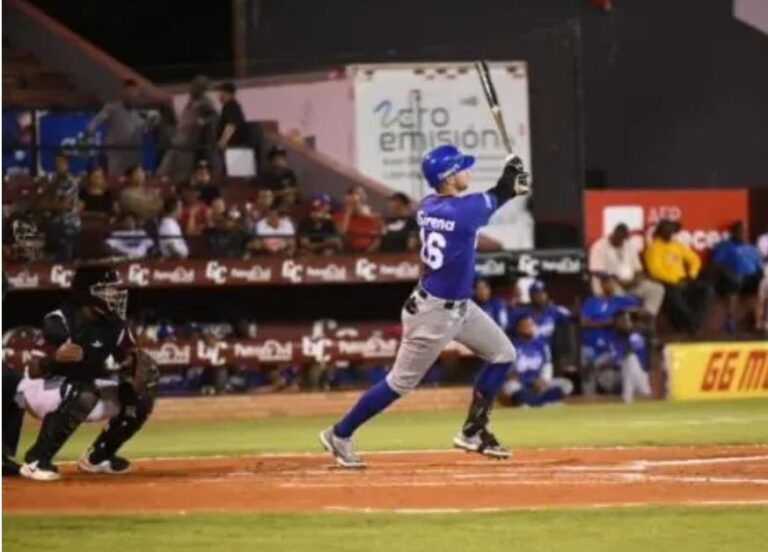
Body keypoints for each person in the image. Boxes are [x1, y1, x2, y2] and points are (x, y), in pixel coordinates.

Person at [319, 144, 530, 468]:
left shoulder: (430, 205)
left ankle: (473, 431)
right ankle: (340, 433)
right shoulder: (462, 211)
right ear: (448, 177)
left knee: (504, 354)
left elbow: (498, 194)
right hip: (433, 313)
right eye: (461, 168)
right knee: (399, 383)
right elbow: (500, 193)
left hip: (459, 307)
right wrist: (512, 178)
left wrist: (510, 181)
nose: (467, 172)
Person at [16, 265, 158, 481]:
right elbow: (33, 370)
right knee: (85, 392)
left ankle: (99, 457)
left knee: (141, 396)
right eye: (108, 289)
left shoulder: (116, 326)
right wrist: (55, 358)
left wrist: (136, 370)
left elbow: (129, 360)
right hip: (39, 390)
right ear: (88, 292)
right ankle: (36, 460)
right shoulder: (60, 320)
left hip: (81, 388)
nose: (115, 294)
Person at [580, 274, 645, 398]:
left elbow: (639, 310)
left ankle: (631, 397)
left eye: (611, 282)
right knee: (587, 366)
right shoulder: (592, 301)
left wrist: (626, 316)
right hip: (591, 346)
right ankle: (588, 399)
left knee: (629, 362)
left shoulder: (621, 301)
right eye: (606, 283)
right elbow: (583, 322)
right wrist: (608, 322)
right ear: (601, 285)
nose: (609, 285)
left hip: (612, 347)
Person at [644, 219, 712, 334]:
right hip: (666, 282)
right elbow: (655, 271)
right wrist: (675, 281)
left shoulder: (677, 245)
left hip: (684, 280)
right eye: (667, 229)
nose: (670, 232)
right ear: (660, 231)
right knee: (675, 297)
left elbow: (695, 260)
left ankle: (694, 323)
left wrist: (691, 275)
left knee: (707, 290)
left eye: (671, 229)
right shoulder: (653, 248)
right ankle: (694, 325)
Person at [589, 223, 665, 316]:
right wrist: (616, 279)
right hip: (609, 283)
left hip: (630, 284)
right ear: (613, 234)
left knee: (656, 288)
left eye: (624, 239)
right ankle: (628, 318)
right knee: (619, 295)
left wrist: (636, 280)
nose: (621, 242)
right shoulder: (599, 246)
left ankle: (647, 315)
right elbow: (595, 270)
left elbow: (638, 269)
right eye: (619, 238)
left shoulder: (628, 245)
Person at [500, 315, 573, 407]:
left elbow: (547, 365)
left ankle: (532, 402)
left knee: (567, 385)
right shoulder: (512, 346)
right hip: (521, 383)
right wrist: (529, 381)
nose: (532, 327)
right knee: (510, 387)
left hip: (539, 382)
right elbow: (509, 374)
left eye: (532, 325)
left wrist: (543, 381)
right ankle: (543, 402)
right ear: (519, 328)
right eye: (528, 325)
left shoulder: (541, 345)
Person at [157, 75, 217, 181]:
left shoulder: (204, 102)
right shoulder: (191, 101)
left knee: (182, 174)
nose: (190, 89)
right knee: (164, 170)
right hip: (177, 141)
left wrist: (203, 121)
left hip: (188, 144)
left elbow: (214, 115)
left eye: (194, 87)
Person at [85, 79, 148, 176]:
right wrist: (89, 132)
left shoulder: (140, 114)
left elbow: (145, 130)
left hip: (133, 154)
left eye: (133, 92)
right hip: (115, 154)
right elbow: (95, 122)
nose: (131, 95)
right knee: (115, 180)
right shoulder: (112, 108)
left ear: (137, 94)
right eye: (128, 92)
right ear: (123, 93)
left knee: (133, 180)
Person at [711, 221, 764, 333]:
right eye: (741, 231)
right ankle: (730, 320)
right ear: (733, 233)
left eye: (745, 231)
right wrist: (729, 273)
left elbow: (759, 266)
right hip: (732, 277)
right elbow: (717, 264)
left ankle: (762, 322)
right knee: (735, 280)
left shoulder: (751, 248)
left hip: (751, 278)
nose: (744, 234)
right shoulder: (724, 246)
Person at [37, 155, 81, 261]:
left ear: (67, 165)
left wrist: (49, 204)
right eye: (56, 163)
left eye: (61, 163)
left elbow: (64, 206)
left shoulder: (71, 181)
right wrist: (53, 204)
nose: (58, 166)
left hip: (68, 222)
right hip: (51, 222)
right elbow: (40, 204)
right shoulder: (51, 181)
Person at [335, 186, 381, 253]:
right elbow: (342, 234)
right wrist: (348, 215)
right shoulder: (339, 216)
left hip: (368, 253)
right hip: (348, 253)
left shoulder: (375, 217)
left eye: (356, 203)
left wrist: (368, 252)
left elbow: (377, 238)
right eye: (350, 203)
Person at [215, 81, 249, 151]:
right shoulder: (230, 106)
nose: (219, 96)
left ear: (228, 94)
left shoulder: (231, 106)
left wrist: (222, 143)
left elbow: (231, 126)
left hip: (234, 146)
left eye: (221, 93)